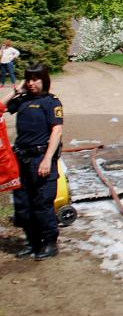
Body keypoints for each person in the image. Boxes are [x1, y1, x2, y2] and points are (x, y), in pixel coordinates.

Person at [0, 63, 63, 260]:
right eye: (29, 79)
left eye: (35, 79)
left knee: (42, 203)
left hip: (41, 158)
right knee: (23, 204)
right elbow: (0, 108)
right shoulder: (23, 100)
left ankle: (49, 243)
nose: (31, 83)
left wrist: (47, 159)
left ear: (44, 80)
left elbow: (57, 131)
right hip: (21, 159)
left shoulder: (51, 102)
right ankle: (32, 242)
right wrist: (16, 91)